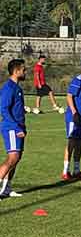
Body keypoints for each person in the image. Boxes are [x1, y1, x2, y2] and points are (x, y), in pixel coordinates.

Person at [0, 59, 27, 199]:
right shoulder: (9, 88)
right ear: (16, 71)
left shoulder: (17, 88)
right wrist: (16, 128)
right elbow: (3, 109)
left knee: (17, 158)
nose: (25, 72)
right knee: (12, 157)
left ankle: (6, 188)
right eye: (24, 69)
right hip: (11, 128)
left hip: (19, 127)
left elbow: (13, 107)